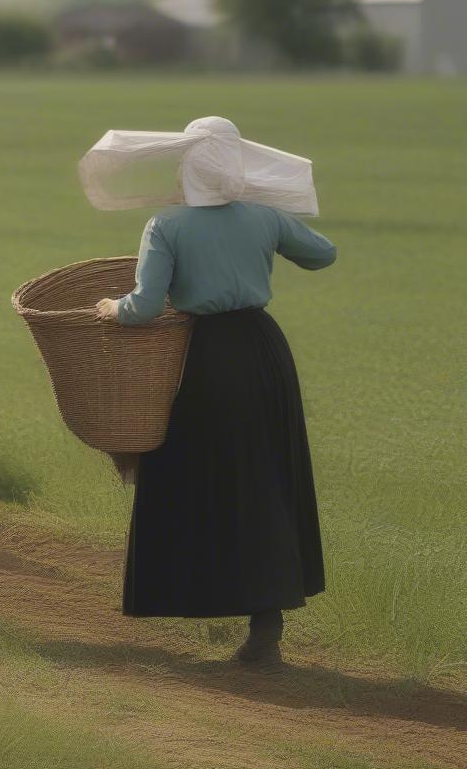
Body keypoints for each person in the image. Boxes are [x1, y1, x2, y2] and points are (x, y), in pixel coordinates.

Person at [81, 116, 336, 669]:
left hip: (206, 360)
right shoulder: (265, 217)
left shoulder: (167, 226)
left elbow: (145, 306)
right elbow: (324, 254)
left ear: (187, 163)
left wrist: (110, 308)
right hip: (265, 354)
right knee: (265, 475)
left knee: (202, 474)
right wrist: (266, 220)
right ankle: (266, 624)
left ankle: (199, 594)